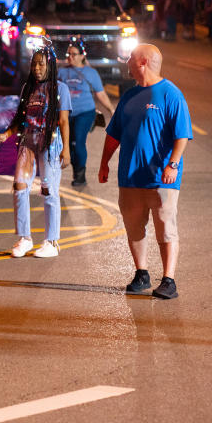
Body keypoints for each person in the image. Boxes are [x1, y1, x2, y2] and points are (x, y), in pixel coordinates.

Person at [98, 44, 191, 299]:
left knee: (165, 227)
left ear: (143, 63)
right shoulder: (129, 96)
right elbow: (113, 134)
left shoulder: (171, 95)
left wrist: (172, 164)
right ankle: (142, 274)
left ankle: (169, 280)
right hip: (130, 176)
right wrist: (105, 162)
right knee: (134, 227)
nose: (126, 62)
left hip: (162, 177)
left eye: (130, 58)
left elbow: (181, 135)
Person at [0, 46, 71, 259]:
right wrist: (5, 135)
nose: (37, 68)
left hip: (50, 144)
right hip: (27, 142)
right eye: (34, 63)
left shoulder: (60, 89)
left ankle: (52, 241)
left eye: (41, 64)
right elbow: (20, 119)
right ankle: (25, 238)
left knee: (48, 191)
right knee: (19, 186)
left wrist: (66, 149)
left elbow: (63, 120)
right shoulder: (28, 88)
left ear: (50, 66)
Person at [58, 40, 116, 186]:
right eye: (68, 54)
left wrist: (111, 109)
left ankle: (80, 175)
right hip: (66, 114)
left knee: (78, 142)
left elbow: (100, 94)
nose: (70, 57)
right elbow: (54, 92)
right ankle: (76, 170)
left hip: (85, 112)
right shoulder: (62, 72)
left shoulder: (90, 73)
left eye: (74, 54)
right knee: (68, 144)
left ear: (82, 56)